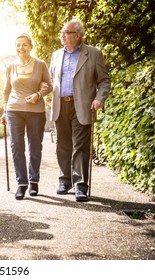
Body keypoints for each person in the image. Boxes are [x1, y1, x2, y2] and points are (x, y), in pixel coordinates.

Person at [49, 19, 110, 202]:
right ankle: (64, 180)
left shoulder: (93, 54)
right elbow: (53, 79)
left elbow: (104, 81)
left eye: (66, 32)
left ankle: (81, 185)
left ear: (77, 35)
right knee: (62, 146)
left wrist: (99, 98)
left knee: (80, 147)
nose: (62, 35)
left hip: (82, 105)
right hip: (61, 104)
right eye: (62, 32)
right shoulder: (56, 55)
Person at [0, 33, 53, 200]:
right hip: (14, 110)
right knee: (16, 146)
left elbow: (49, 86)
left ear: (30, 46)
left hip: (35, 110)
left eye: (24, 45)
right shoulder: (10, 67)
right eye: (18, 45)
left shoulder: (40, 65)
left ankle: (34, 181)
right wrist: (4, 110)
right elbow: (6, 91)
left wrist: (38, 94)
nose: (21, 48)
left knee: (35, 146)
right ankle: (22, 183)